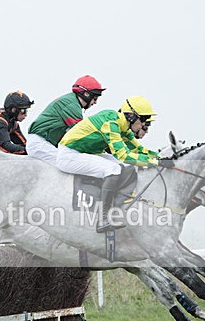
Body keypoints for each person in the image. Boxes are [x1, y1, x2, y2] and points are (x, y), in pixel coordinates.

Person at [57, 95, 160, 232]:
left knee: (126, 166)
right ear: (130, 116)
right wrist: (155, 162)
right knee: (113, 169)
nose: (143, 125)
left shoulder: (122, 127)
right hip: (69, 155)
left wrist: (162, 158)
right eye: (143, 120)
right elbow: (123, 155)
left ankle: (116, 203)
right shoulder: (110, 122)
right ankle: (103, 219)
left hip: (85, 153)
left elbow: (138, 150)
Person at [26, 75, 105, 164]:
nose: (95, 102)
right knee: (72, 163)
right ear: (86, 94)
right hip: (40, 144)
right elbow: (82, 135)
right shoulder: (71, 105)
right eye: (95, 98)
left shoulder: (72, 101)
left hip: (45, 143)